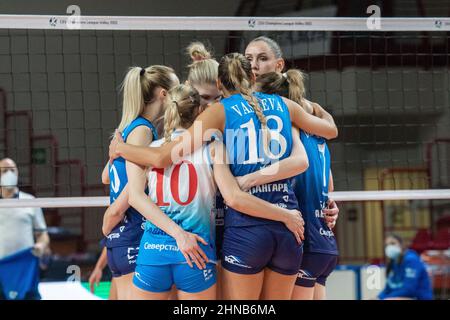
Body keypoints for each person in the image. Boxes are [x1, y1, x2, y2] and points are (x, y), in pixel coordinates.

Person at [108, 52, 338, 299]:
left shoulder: (217, 115)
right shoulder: (282, 106)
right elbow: (330, 131)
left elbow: (162, 158)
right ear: (252, 76)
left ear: (219, 84)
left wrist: (121, 148)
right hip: (285, 230)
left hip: (237, 231)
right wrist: (314, 107)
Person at [255, 70, 339, 300]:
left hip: (305, 240)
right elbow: (329, 186)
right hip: (325, 243)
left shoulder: (288, 133)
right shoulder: (317, 133)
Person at [101, 65, 179, 300]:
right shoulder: (143, 130)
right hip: (132, 234)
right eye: (176, 90)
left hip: (120, 239)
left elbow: (105, 177)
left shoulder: (129, 127)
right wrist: (111, 215)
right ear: (164, 94)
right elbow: (133, 188)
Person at [244, 36, 340, 223]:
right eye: (248, 59)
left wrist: (325, 199)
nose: (254, 66)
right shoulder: (236, 103)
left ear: (279, 65)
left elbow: (330, 132)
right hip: (253, 209)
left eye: (262, 58)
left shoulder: (293, 105)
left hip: (289, 205)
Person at [0, 158, 50, 300]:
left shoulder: (30, 200)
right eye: (4, 171)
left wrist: (40, 246)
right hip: (2, 268)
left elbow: (43, 234)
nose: (9, 173)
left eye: (12, 170)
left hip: (25, 267)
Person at [378, 234, 433, 300]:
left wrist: (386, 298)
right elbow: (388, 288)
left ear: (401, 245)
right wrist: (378, 297)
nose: (389, 247)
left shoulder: (411, 260)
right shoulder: (393, 262)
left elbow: (409, 290)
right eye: (386, 245)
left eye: (392, 243)